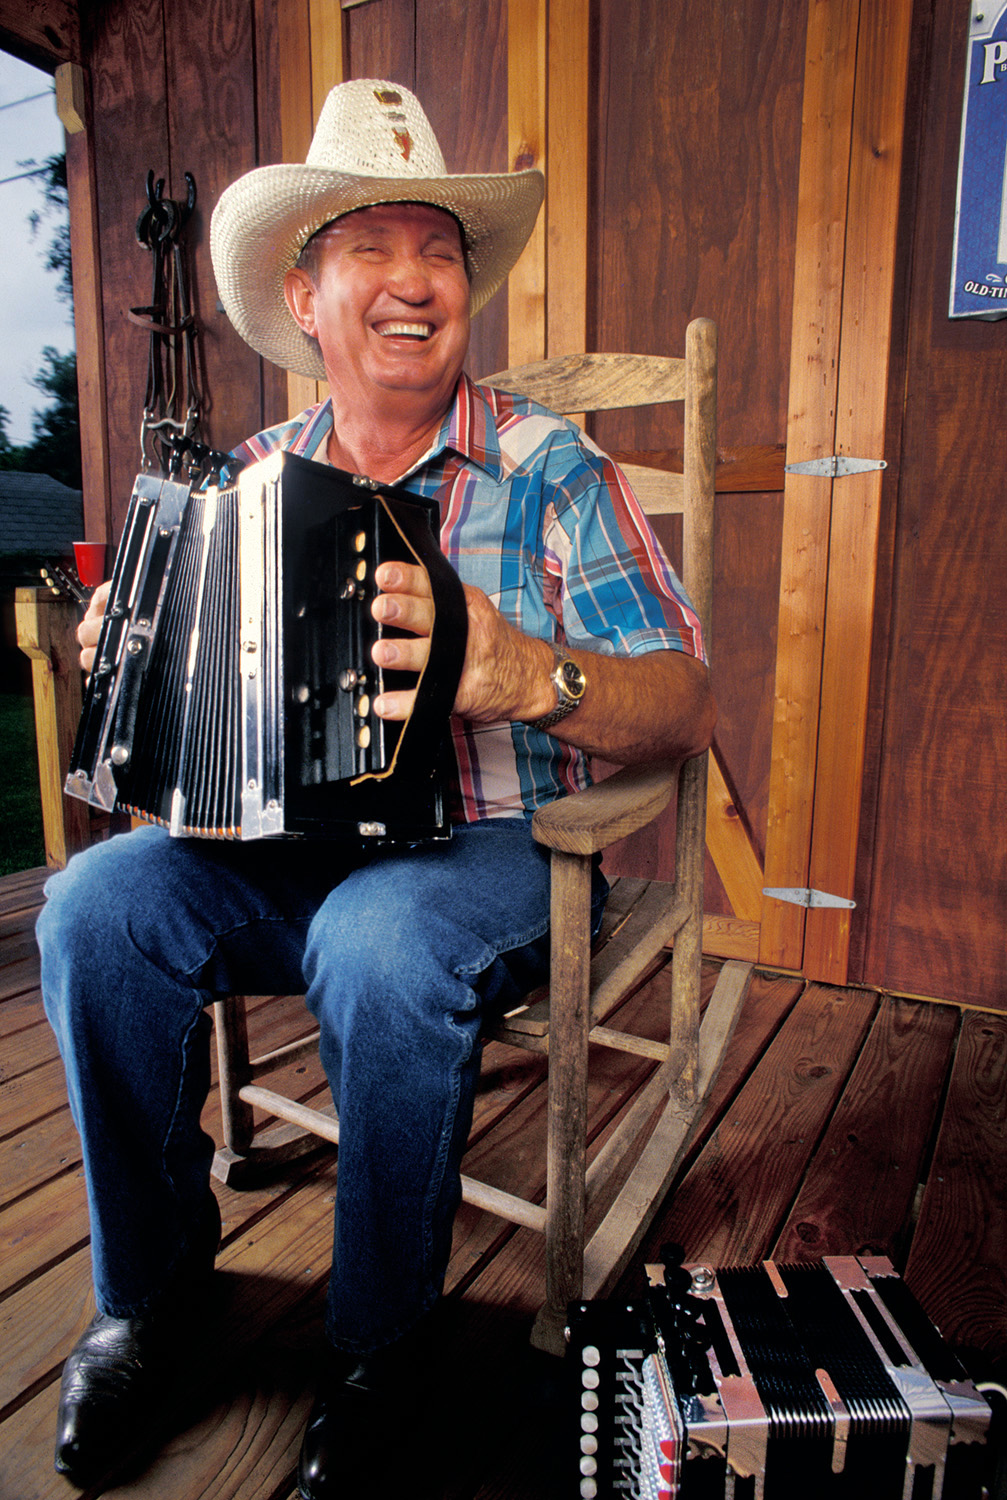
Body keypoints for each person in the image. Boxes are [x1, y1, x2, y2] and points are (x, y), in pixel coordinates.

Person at [38, 79, 715, 1497]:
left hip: (482, 846)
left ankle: (383, 1345)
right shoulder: (250, 477)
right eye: (373, 247)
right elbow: (179, 743)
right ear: (305, 291)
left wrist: (523, 669)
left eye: (442, 251)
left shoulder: (550, 471)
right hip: (278, 847)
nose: (416, 281)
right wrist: (133, 663)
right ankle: (153, 1302)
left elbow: (684, 696)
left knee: (381, 938)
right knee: (93, 906)